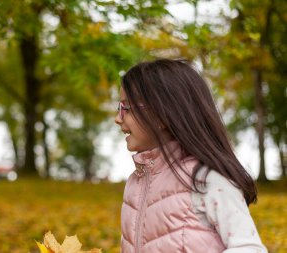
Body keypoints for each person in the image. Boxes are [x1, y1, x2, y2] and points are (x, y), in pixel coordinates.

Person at [114, 59, 268, 253]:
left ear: (161, 114)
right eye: (118, 107)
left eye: (126, 108)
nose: (118, 118)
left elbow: (249, 248)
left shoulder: (208, 180)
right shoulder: (134, 184)